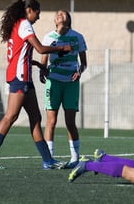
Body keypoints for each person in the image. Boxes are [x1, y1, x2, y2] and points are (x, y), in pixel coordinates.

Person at [0, 0, 72, 170]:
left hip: (24, 77)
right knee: (10, 116)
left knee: (35, 118)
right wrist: (62, 48)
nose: (38, 17)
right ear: (29, 10)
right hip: (19, 77)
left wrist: (38, 65)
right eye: (38, 12)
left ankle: (48, 160)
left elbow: (21, 54)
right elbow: (41, 49)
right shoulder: (24, 24)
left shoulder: (18, 25)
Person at [40, 10, 87, 169]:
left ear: (69, 19)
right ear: (54, 21)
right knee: (50, 121)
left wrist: (79, 71)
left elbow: (84, 63)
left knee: (70, 122)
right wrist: (42, 71)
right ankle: (49, 159)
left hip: (71, 84)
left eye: (63, 13)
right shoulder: (48, 37)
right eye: (57, 13)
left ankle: (75, 158)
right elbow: (44, 61)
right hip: (53, 82)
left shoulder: (78, 37)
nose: (59, 14)